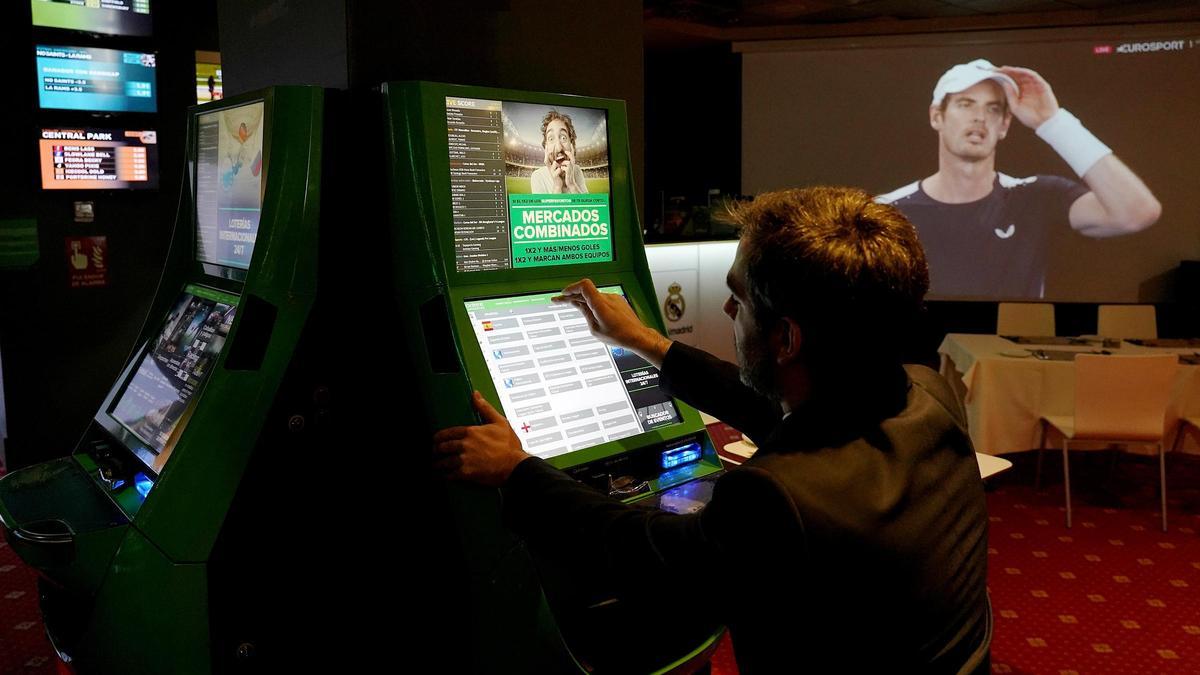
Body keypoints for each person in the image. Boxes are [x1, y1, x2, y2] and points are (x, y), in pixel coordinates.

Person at [433, 187, 990, 674]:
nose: (727, 308)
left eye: (739, 297)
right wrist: (650, 344)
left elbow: (647, 554)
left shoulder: (778, 496)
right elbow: (786, 413)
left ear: (787, 340)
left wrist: (519, 470)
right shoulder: (926, 396)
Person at [877, 59, 1160, 298]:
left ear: (1004, 125)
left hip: (1010, 361)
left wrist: (1052, 122)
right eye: (966, 104)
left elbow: (1136, 212)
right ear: (937, 116)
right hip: (918, 362)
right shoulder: (887, 212)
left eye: (993, 108)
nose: (979, 118)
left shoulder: (1036, 196)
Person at [529, 110, 589, 194]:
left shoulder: (577, 171)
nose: (558, 148)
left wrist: (572, 184)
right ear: (545, 147)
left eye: (563, 138)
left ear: (571, 144)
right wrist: (557, 187)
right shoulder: (537, 176)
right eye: (551, 139)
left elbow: (588, 206)